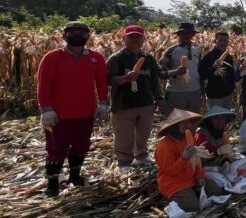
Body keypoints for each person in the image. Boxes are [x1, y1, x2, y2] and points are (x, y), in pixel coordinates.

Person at [37, 21, 109, 197]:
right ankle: (53, 183)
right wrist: (46, 109)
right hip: (58, 114)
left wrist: (103, 103)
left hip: (85, 113)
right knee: (56, 148)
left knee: (81, 145)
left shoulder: (96, 57)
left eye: (82, 33)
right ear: (64, 35)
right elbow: (43, 84)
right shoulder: (53, 57)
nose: (77, 35)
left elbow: (101, 82)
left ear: (88, 36)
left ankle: (74, 176)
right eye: (72, 32)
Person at [107, 25, 162, 174]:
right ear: (124, 38)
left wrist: (158, 97)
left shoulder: (148, 58)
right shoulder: (116, 58)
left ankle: (142, 156)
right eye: (131, 36)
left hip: (145, 103)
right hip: (124, 104)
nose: (135, 40)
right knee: (124, 136)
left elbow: (154, 79)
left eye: (138, 37)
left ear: (144, 39)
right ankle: (124, 162)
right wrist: (125, 78)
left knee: (143, 133)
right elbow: (107, 79)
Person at [155, 109, 226, 213]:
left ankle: (193, 193)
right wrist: (184, 158)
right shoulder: (164, 146)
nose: (187, 125)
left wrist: (200, 176)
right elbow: (169, 172)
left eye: (188, 122)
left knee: (216, 191)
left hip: (191, 179)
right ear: (173, 126)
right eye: (183, 123)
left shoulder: (188, 139)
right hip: (175, 183)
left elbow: (197, 162)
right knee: (191, 207)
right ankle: (179, 198)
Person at [158, 22, 202, 115]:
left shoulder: (197, 49)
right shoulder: (171, 50)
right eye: (183, 33)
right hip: (176, 92)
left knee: (193, 122)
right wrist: (174, 72)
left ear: (193, 35)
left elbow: (199, 70)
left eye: (189, 33)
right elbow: (159, 71)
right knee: (175, 124)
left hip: (195, 91)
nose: (186, 35)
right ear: (178, 35)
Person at [199, 32, 235, 109]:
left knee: (226, 119)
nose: (223, 43)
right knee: (215, 119)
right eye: (220, 40)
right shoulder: (208, 56)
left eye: (225, 40)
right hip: (214, 96)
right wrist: (213, 68)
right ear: (215, 41)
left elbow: (231, 74)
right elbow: (202, 75)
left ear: (228, 42)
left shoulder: (229, 57)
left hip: (228, 94)